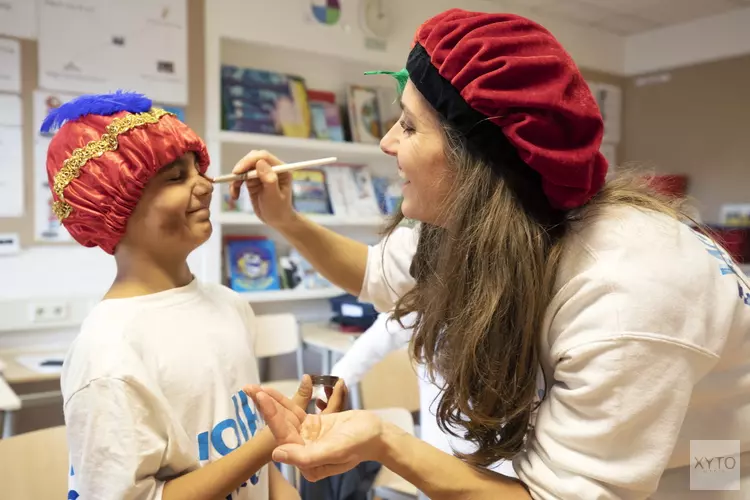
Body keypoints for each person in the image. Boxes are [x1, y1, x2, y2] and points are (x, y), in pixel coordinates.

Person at [229, 8, 750, 500]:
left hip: (711, 458)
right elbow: (375, 273)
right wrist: (284, 220)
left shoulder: (627, 294)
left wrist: (386, 442)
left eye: (409, 126)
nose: (388, 142)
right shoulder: (497, 215)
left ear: (475, 161)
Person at [42, 91, 346, 500]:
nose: (204, 185)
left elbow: (250, 436)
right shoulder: (108, 355)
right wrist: (269, 443)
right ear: (114, 208)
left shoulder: (230, 305)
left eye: (198, 169)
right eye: (175, 177)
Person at [331, 310, 517, 480]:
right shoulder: (433, 297)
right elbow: (387, 329)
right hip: (441, 457)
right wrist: (331, 386)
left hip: (507, 465)